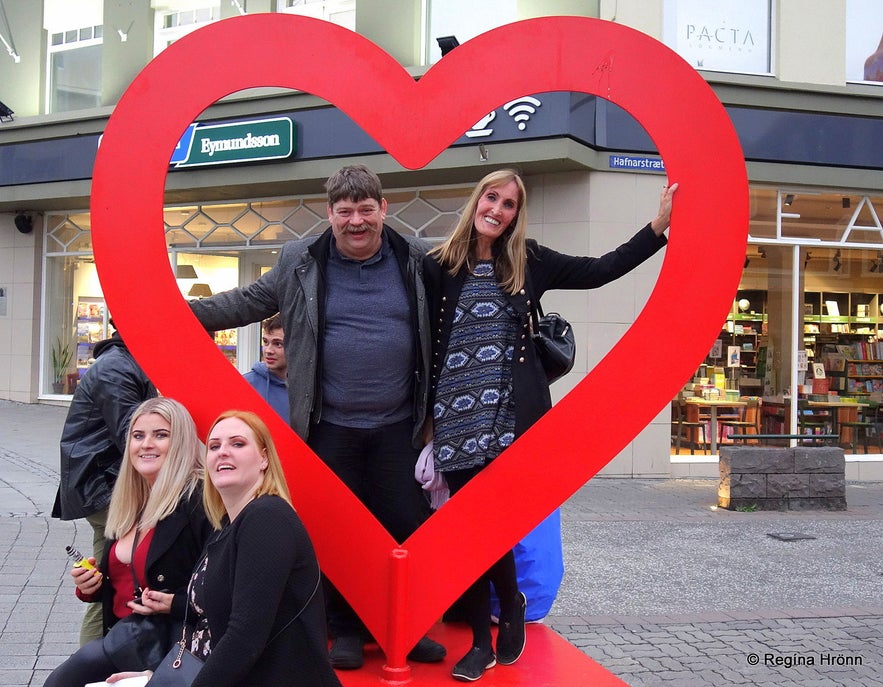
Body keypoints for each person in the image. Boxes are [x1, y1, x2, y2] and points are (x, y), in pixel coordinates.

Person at [424, 169, 677, 681]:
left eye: (510, 204)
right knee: (468, 528)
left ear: (518, 214)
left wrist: (658, 226)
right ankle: (508, 605)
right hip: (454, 414)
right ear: (477, 200)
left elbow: (600, 269)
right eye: (492, 198)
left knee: (486, 527)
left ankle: (480, 642)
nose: (497, 209)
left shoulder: (528, 260)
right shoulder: (437, 265)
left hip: (510, 418)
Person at [189, 164, 444, 669]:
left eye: (365, 210)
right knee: (336, 533)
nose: (356, 221)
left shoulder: (415, 259)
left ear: (382, 210)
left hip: (397, 426)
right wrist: (166, 312)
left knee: (406, 529)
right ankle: (347, 630)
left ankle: (405, 627)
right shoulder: (300, 260)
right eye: (345, 211)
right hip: (329, 427)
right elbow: (248, 302)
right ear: (330, 214)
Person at [107, 410, 343, 686]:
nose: (223, 452)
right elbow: (209, 632)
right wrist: (161, 677)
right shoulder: (226, 526)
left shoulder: (267, 518)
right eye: (215, 446)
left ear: (264, 458)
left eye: (238, 444)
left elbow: (244, 637)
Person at [44, 397, 212, 687]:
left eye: (161, 435)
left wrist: (173, 605)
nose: (146, 444)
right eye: (138, 436)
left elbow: (223, 594)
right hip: (126, 639)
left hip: (174, 648)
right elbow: (124, 584)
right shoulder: (129, 501)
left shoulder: (198, 503)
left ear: (182, 442)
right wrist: (92, 586)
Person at [51, 329, 157, 645]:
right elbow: (134, 435)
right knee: (111, 582)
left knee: (106, 582)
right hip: (104, 487)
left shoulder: (128, 362)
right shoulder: (117, 368)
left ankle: (97, 660)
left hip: (107, 483)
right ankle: (96, 662)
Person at [242, 313, 289, 420]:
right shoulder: (247, 385)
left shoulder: (306, 388)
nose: (268, 351)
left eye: (278, 344)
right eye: (265, 342)